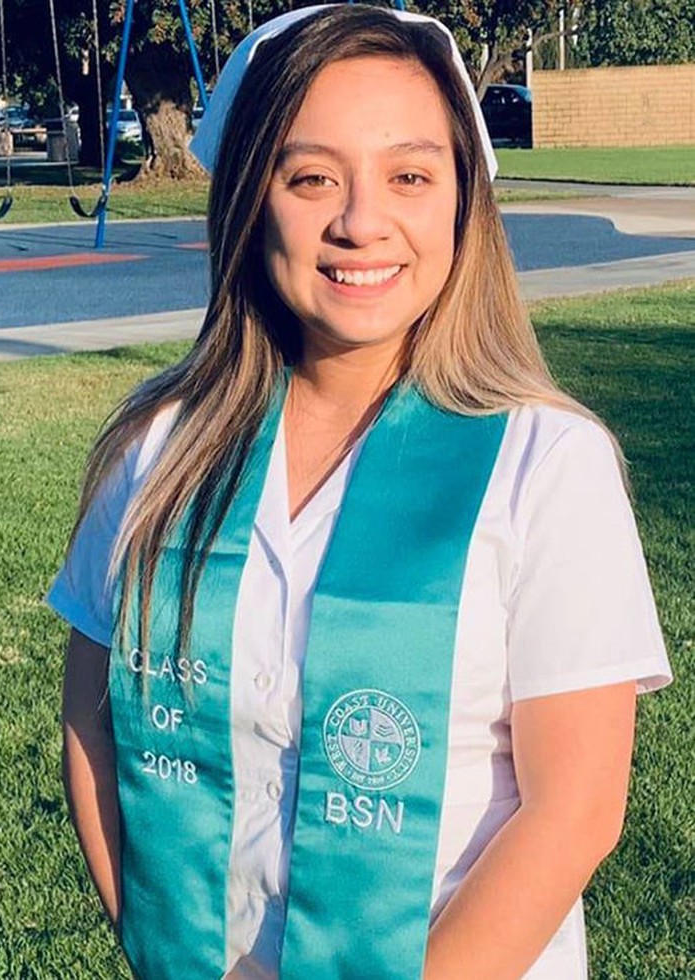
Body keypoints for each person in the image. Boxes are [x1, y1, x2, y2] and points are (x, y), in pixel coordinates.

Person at [48, 5, 673, 980]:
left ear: (461, 202)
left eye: (409, 176)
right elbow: (92, 720)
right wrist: (153, 947)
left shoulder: (547, 464)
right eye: (311, 178)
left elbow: (574, 810)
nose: (360, 222)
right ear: (250, 200)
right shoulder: (157, 450)